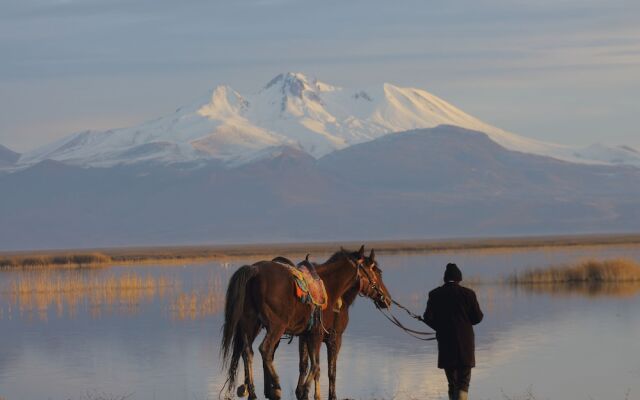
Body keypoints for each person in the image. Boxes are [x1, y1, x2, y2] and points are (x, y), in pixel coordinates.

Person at [423, 263, 483, 400]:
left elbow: (428, 318)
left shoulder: (434, 294)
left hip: (445, 342)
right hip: (466, 344)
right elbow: (478, 318)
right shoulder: (469, 294)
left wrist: (440, 328)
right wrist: (466, 323)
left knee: (452, 382)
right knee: (463, 382)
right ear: (459, 278)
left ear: (445, 278)